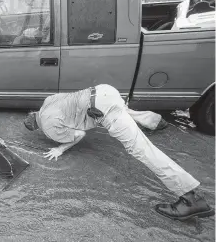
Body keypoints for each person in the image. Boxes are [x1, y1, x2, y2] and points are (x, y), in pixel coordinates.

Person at [24, 84, 214, 221]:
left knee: (142, 150)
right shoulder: (48, 101)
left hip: (103, 110)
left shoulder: (48, 127)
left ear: (36, 128)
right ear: (34, 114)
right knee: (122, 112)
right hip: (104, 91)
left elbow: (79, 134)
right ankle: (156, 122)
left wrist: (59, 148)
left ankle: (191, 198)